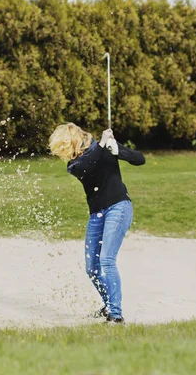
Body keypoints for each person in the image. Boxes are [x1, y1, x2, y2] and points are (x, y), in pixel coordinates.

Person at [49, 123, 145, 324]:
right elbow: (88, 166)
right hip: (96, 215)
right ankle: (109, 304)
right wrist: (102, 145)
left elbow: (140, 159)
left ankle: (116, 315)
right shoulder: (75, 165)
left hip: (118, 207)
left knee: (107, 260)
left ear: (72, 142)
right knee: (91, 268)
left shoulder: (104, 146)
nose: (64, 155)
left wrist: (117, 149)